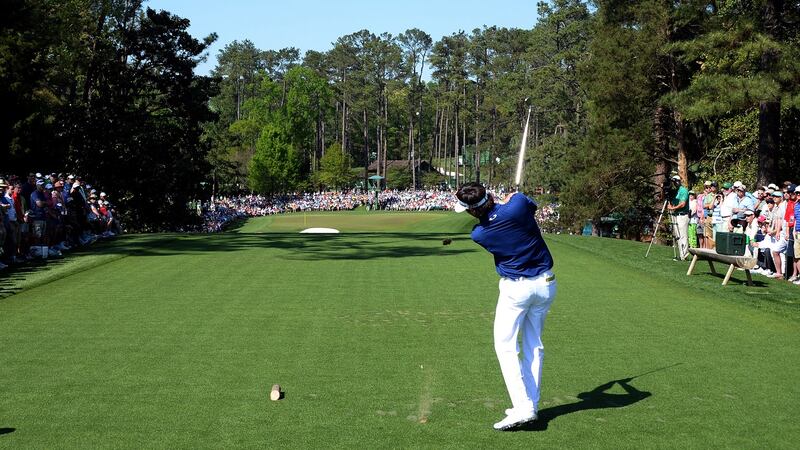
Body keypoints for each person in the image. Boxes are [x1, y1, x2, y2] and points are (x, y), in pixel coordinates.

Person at [454, 182, 556, 431]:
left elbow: (498, 216)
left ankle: (523, 407)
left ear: (472, 211)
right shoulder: (518, 204)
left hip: (516, 290)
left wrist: (505, 201)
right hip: (546, 284)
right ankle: (530, 402)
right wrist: (512, 197)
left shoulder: (479, 234)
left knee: (506, 346)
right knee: (534, 344)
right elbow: (525, 204)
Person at [666, 175, 689, 260]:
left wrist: (672, 208)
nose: (675, 183)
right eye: (674, 182)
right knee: (678, 236)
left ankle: (684, 254)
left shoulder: (683, 190)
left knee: (683, 236)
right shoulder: (675, 191)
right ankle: (681, 254)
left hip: (682, 215)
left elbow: (682, 204)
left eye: (677, 181)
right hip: (676, 215)